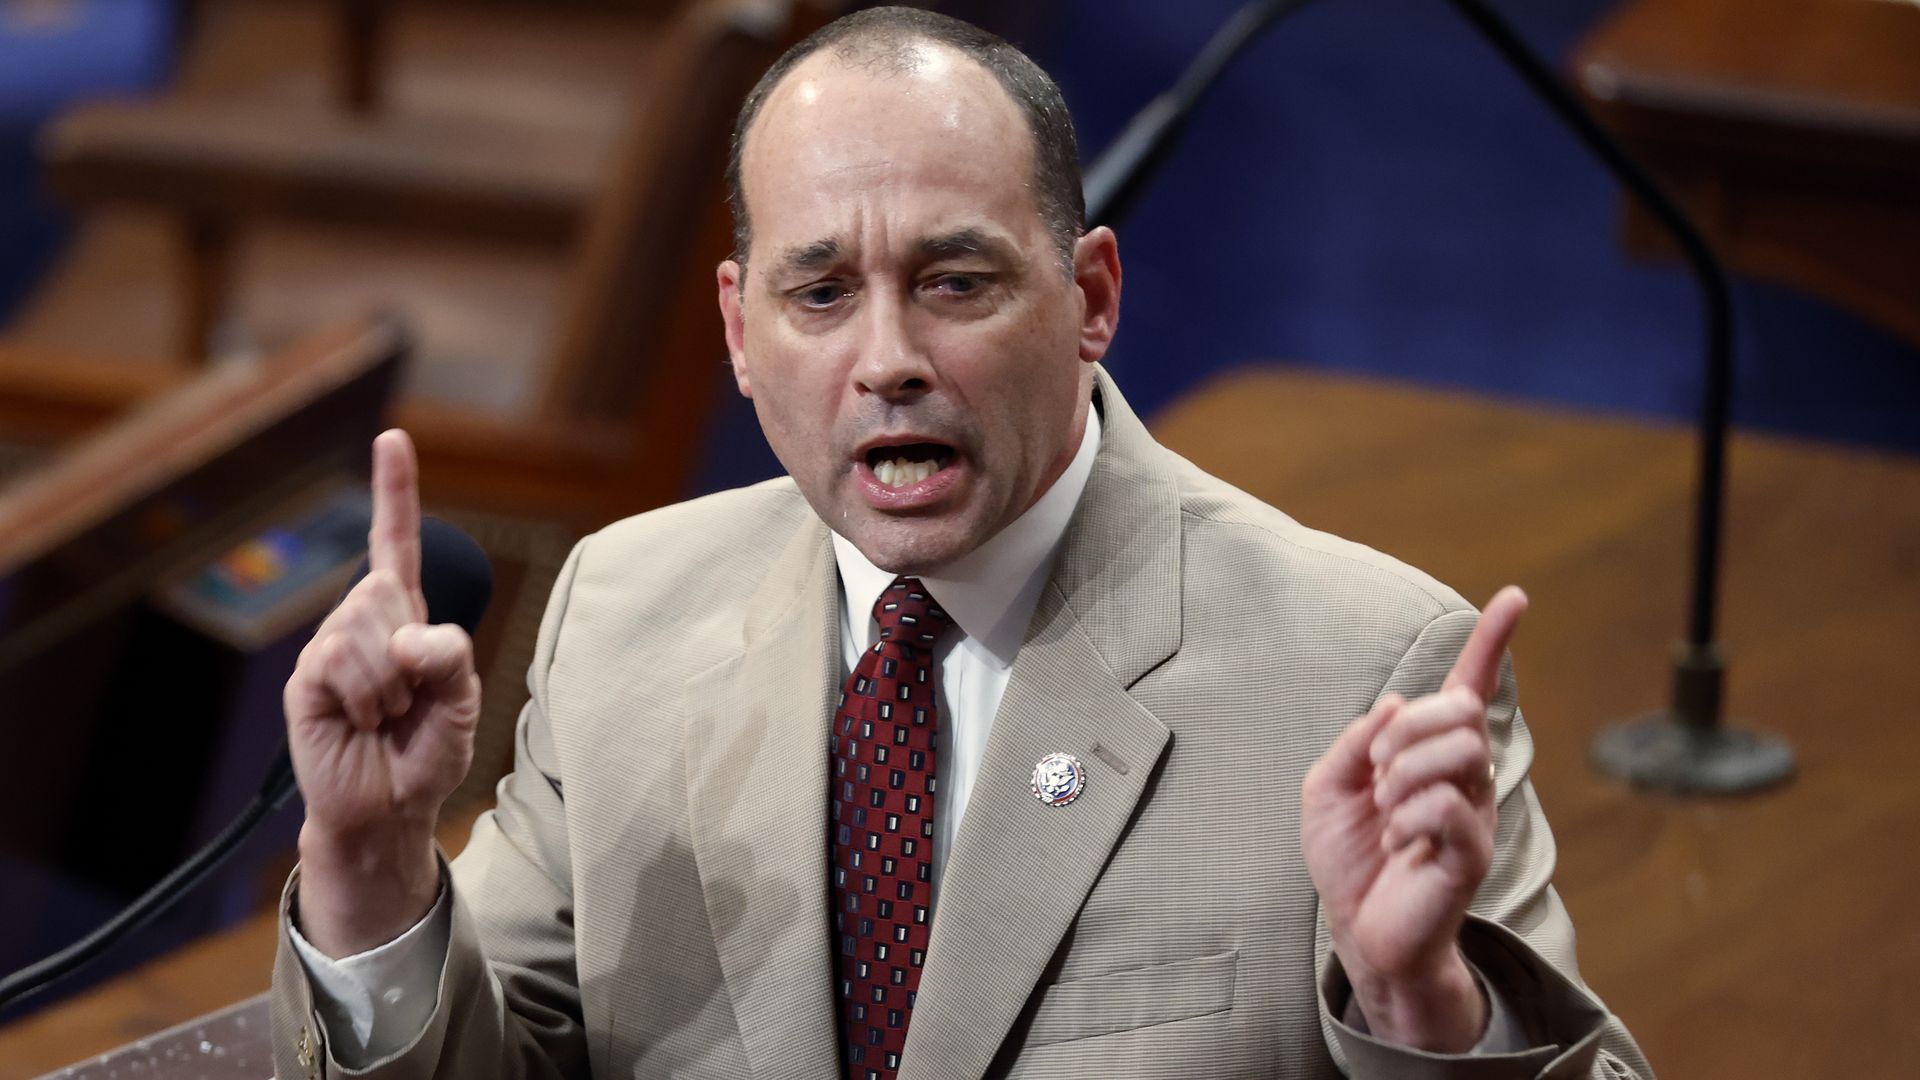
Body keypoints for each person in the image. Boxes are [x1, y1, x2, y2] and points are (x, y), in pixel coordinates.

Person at [270, 8, 1651, 1079]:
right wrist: (376, 872)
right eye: (822, 293)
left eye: (957, 281)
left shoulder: (1363, 668)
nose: (889, 361)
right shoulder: (628, 609)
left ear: (1090, 295)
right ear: (742, 334)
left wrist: (1420, 1010)